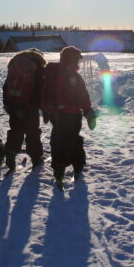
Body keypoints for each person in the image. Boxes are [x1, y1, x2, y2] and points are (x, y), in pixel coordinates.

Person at [41, 46, 97, 188]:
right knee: (73, 140)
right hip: (72, 116)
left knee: (58, 140)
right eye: (77, 60)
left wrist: (46, 110)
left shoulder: (50, 74)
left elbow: (43, 93)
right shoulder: (74, 77)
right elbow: (82, 97)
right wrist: (89, 112)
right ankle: (77, 166)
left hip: (56, 116)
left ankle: (58, 169)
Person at [3, 49, 46, 170]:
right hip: (29, 107)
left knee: (16, 130)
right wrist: (41, 106)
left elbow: (5, 86)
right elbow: (40, 89)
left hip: (14, 105)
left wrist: (7, 104)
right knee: (32, 133)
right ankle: (36, 157)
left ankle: (11, 151)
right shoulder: (36, 66)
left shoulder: (14, 63)